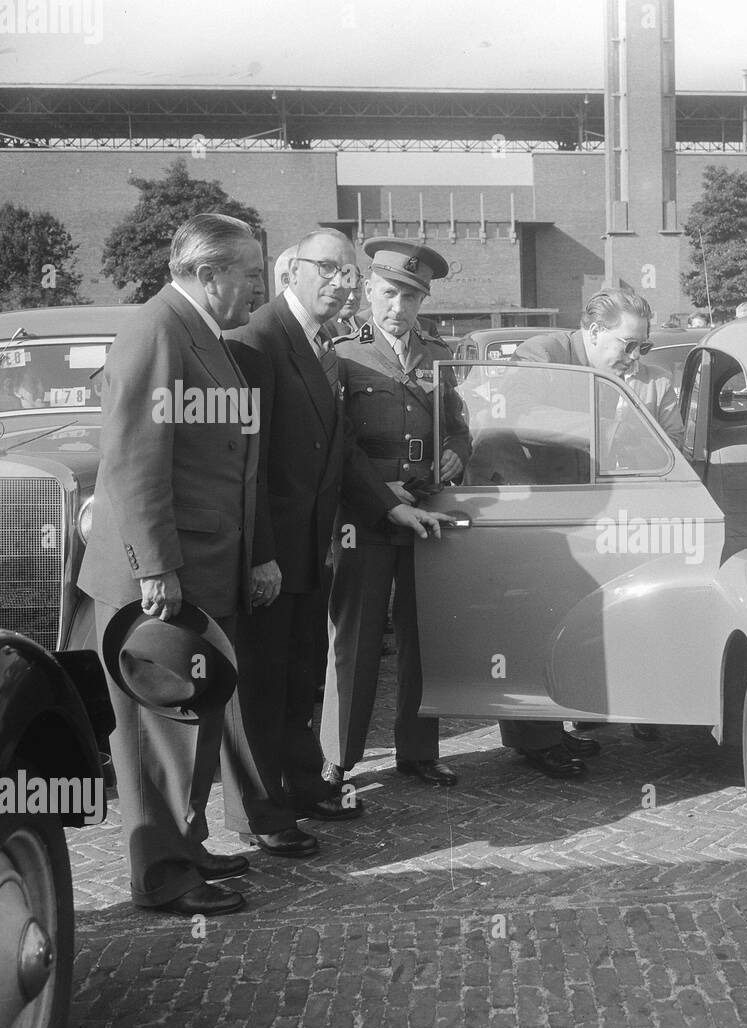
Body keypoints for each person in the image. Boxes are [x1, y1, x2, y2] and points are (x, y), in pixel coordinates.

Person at [78, 213, 306, 915]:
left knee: (193, 725)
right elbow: (133, 458)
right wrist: (155, 569)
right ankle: (161, 874)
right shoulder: (158, 329)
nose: (256, 287)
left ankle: (187, 844)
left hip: (200, 570)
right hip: (160, 578)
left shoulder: (203, 335)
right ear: (209, 275)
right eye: (248, 273)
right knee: (158, 737)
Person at [226, 228, 444, 829]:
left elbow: (339, 446)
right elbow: (249, 465)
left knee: (300, 675)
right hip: (279, 548)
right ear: (289, 270)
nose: (341, 284)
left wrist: (391, 504)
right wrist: (260, 554)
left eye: (347, 273)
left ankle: (299, 787)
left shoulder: (317, 343)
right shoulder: (257, 339)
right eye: (329, 270)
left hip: (316, 543)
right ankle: (264, 814)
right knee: (269, 683)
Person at [320, 238, 465, 789]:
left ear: (422, 301)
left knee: (421, 632)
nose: (397, 307)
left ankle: (418, 751)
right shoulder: (342, 351)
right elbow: (336, 442)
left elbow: (458, 425)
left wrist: (459, 451)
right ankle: (337, 755)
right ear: (367, 291)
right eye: (388, 293)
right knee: (353, 637)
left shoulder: (437, 354)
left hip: (426, 510)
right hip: (364, 516)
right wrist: (382, 495)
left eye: (410, 296)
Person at [493, 287, 655, 778]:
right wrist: (601, 423)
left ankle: (554, 728)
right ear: (592, 331)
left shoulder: (608, 370)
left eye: (642, 347)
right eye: (628, 345)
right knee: (532, 624)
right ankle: (536, 742)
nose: (634, 357)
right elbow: (516, 416)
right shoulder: (543, 354)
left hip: (575, 512)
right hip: (530, 512)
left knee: (564, 620)